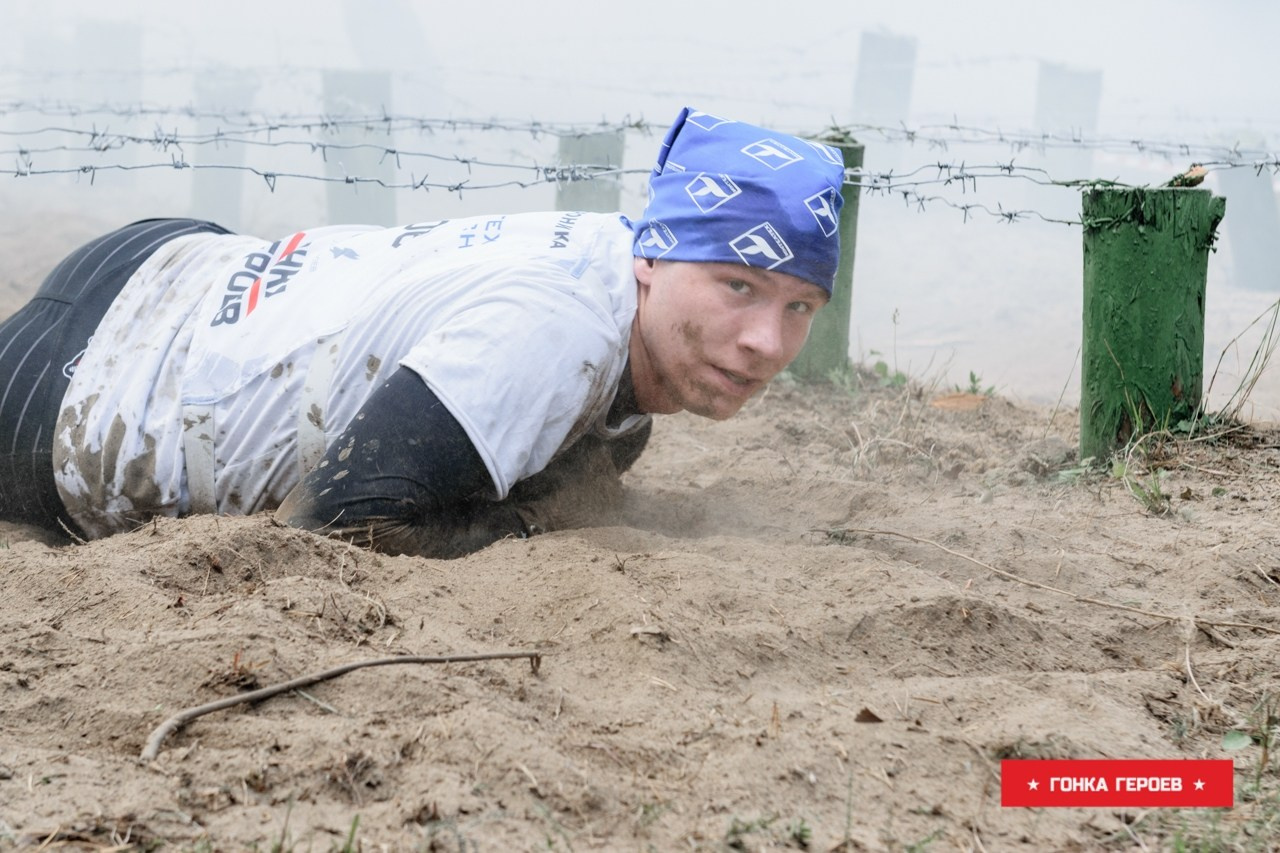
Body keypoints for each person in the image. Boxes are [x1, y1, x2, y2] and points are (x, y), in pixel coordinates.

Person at [0, 107, 846, 557]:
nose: (766, 343)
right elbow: (338, 523)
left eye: (799, 306)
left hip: (182, 259)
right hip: (77, 401)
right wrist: (535, 528)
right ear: (654, 259)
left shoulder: (606, 252)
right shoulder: (560, 332)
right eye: (739, 287)